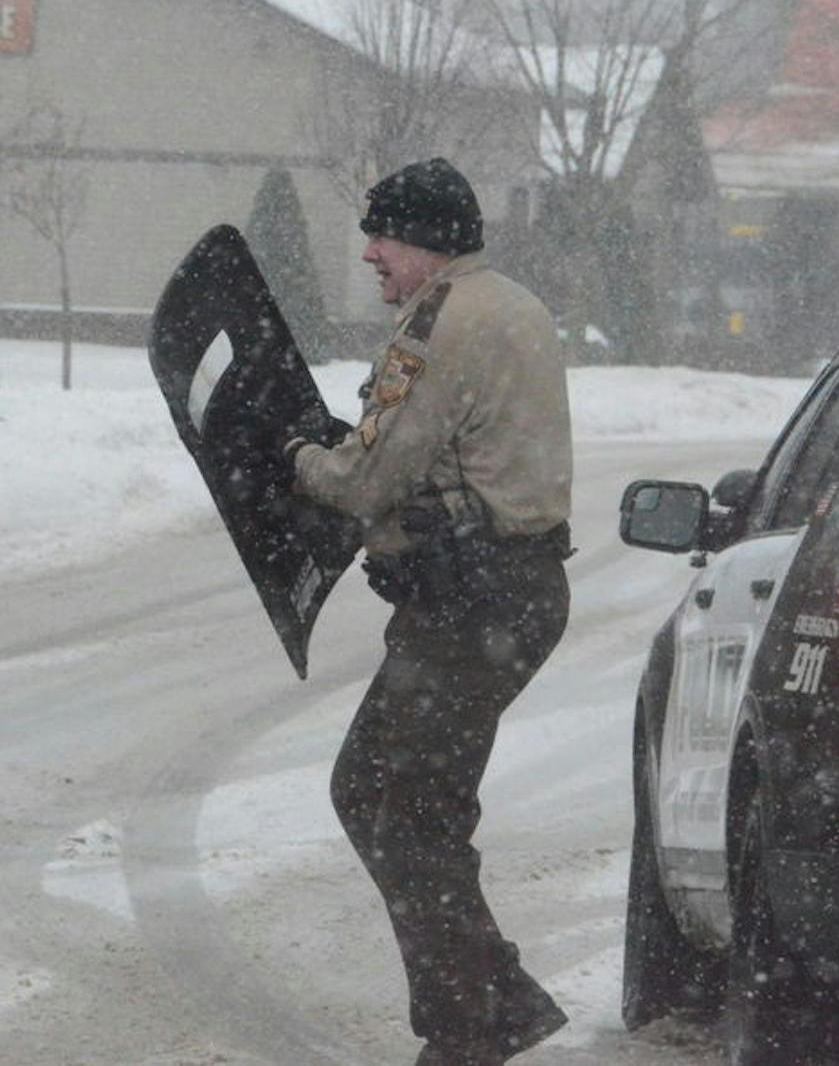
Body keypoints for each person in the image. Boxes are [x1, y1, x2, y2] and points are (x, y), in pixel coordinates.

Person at [283, 157, 575, 1066]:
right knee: (398, 798)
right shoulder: (514, 305)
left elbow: (374, 472)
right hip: (509, 592)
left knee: (398, 806)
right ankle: (488, 1001)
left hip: (472, 603)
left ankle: (470, 1024)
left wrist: (295, 454)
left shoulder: (440, 326)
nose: (370, 253)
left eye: (383, 235)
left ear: (425, 241)